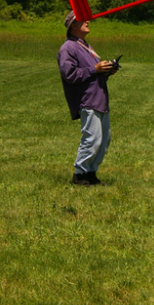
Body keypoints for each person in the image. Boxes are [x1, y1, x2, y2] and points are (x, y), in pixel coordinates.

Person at [58, 11, 117, 185]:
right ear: (73, 26)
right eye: (82, 19)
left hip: (99, 99)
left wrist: (107, 71)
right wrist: (95, 69)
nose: (88, 21)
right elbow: (70, 74)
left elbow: (92, 73)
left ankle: (91, 173)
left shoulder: (86, 46)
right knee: (92, 138)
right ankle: (80, 174)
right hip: (87, 99)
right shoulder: (68, 47)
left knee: (104, 139)